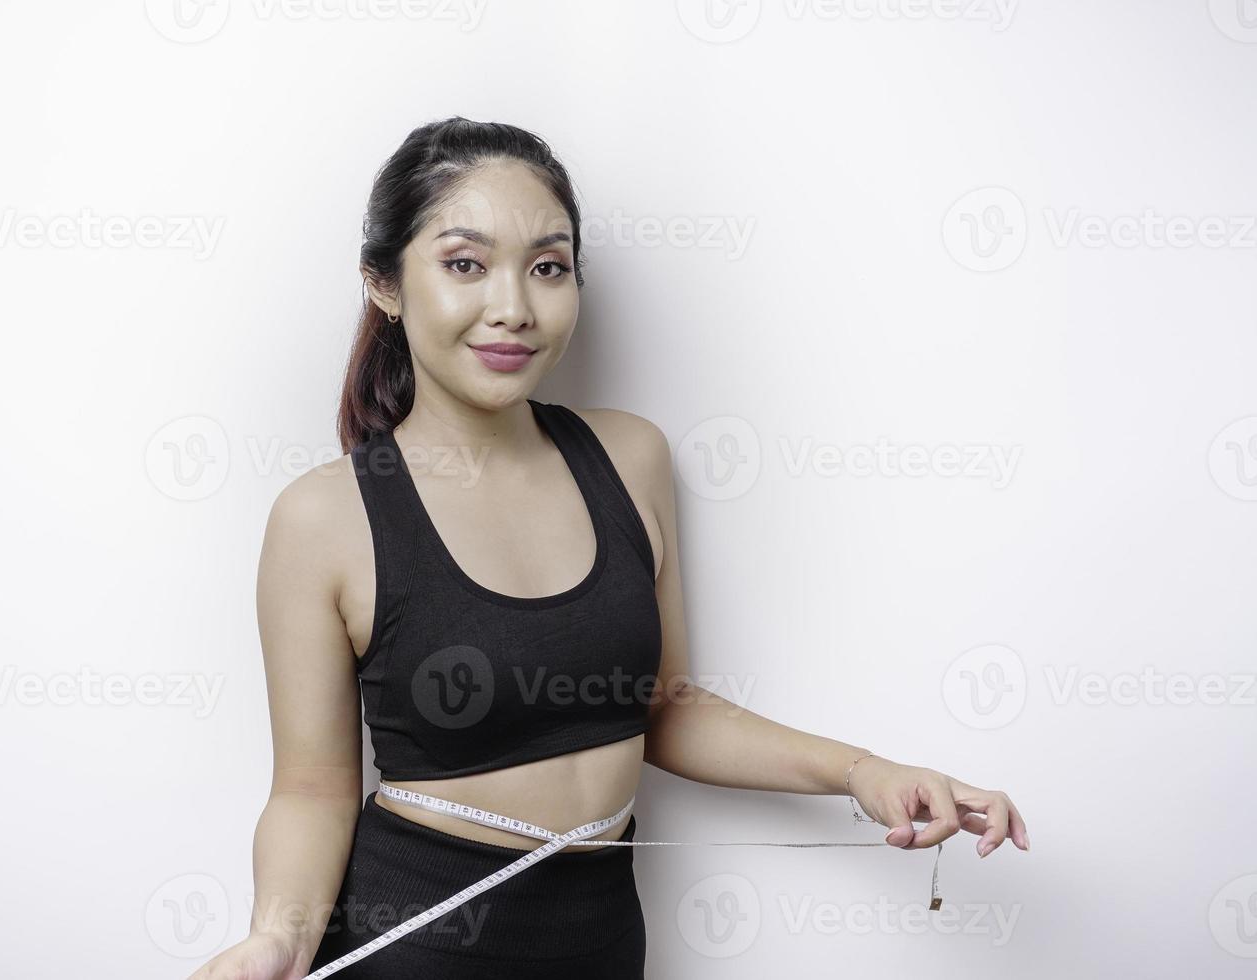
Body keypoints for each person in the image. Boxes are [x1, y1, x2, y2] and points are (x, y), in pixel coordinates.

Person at [188, 116, 1030, 980]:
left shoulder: (630, 458)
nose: (514, 306)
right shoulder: (324, 517)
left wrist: (865, 772)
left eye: (548, 266)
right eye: (465, 263)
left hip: (599, 943)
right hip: (415, 945)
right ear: (387, 286)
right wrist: (278, 939)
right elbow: (312, 788)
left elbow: (665, 708)